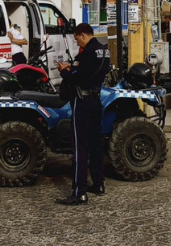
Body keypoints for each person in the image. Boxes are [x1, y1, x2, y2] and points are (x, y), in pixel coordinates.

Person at [54, 22, 110, 206]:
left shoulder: (86, 53)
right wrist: (73, 68)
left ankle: (80, 192)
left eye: (78, 39)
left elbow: (76, 79)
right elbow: (89, 73)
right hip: (96, 101)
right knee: (96, 145)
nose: (78, 43)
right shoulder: (103, 50)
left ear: (83, 35)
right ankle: (99, 183)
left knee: (80, 147)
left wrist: (64, 71)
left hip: (83, 102)